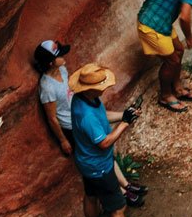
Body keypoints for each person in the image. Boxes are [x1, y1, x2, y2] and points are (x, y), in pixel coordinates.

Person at [33, 40, 146, 208]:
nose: (64, 57)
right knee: (99, 159)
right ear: (50, 62)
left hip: (84, 117)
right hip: (73, 127)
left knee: (107, 156)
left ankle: (126, 185)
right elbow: (52, 118)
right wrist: (63, 140)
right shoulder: (47, 87)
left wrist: (125, 115)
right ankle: (121, 192)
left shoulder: (62, 70)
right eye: (60, 56)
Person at [68, 62, 148, 217]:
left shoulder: (83, 99)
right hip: (99, 167)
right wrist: (125, 124)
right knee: (118, 208)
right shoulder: (86, 116)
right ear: (91, 88)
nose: (106, 86)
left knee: (91, 195)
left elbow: (103, 116)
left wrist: (124, 114)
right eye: (102, 83)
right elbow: (104, 142)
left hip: (87, 163)